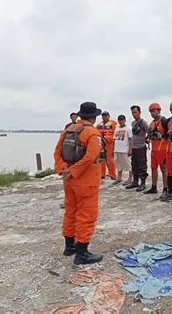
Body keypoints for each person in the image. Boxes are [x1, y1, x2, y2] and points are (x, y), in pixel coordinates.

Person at [54, 101, 104, 265]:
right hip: (86, 181)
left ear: (81, 115)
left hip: (69, 180)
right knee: (86, 214)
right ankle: (82, 253)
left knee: (71, 211)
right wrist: (74, 170)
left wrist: (63, 170)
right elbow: (91, 156)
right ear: (94, 117)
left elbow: (57, 152)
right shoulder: (92, 133)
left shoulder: (68, 130)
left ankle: (70, 246)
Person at [144, 103, 168, 197]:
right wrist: (148, 138)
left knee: (164, 169)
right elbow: (149, 134)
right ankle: (154, 187)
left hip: (163, 149)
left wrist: (160, 136)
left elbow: (169, 134)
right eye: (151, 112)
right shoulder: (152, 123)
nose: (152, 113)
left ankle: (166, 189)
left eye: (154, 111)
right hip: (154, 149)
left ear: (159, 110)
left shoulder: (164, 121)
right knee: (153, 168)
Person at [125, 105, 149, 192]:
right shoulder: (133, 123)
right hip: (134, 148)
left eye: (135, 112)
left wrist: (146, 139)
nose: (134, 114)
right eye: (132, 113)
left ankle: (143, 183)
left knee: (142, 166)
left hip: (141, 148)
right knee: (134, 165)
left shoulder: (143, 123)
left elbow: (149, 132)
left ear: (139, 112)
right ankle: (135, 181)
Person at [113, 115, 133, 186]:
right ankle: (119, 177)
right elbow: (114, 139)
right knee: (118, 164)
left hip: (125, 150)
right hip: (117, 149)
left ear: (125, 120)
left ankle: (130, 178)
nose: (121, 121)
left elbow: (131, 140)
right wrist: (113, 150)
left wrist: (130, 150)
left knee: (129, 164)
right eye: (119, 120)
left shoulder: (128, 129)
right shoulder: (117, 128)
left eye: (122, 120)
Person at [96, 111, 117, 180]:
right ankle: (102, 174)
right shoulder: (99, 124)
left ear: (109, 116)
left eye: (106, 115)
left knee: (110, 160)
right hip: (101, 144)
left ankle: (112, 174)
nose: (104, 117)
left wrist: (108, 139)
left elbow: (116, 134)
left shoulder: (113, 124)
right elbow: (95, 133)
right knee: (102, 159)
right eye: (103, 115)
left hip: (109, 144)